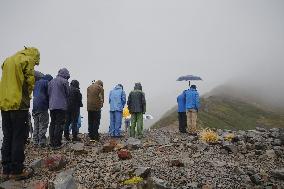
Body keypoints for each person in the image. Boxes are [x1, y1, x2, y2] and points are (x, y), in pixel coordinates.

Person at [0, 47, 40, 180]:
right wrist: (27, 96)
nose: (35, 64)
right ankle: (17, 170)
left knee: (7, 136)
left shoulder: (8, 60)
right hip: (19, 104)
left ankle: (5, 170)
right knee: (18, 136)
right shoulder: (27, 59)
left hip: (5, 103)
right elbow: (30, 81)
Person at [48, 68, 70, 149]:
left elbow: (48, 93)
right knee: (59, 124)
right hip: (61, 106)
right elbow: (68, 93)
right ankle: (57, 143)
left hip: (52, 106)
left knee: (52, 123)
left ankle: (51, 141)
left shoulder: (51, 81)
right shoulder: (64, 81)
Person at [32, 74, 53, 148]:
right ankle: (42, 142)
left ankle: (35, 141)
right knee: (43, 124)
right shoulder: (47, 83)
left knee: (36, 124)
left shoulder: (36, 83)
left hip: (35, 106)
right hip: (42, 106)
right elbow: (49, 94)